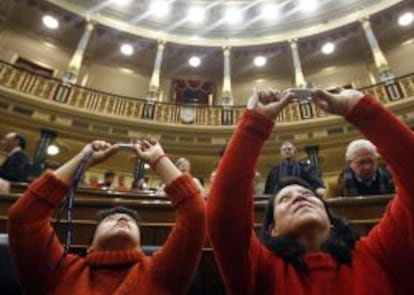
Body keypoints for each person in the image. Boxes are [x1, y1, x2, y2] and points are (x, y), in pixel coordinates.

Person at [207, 87, 414, 294]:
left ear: (330, 219)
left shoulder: (377, 254)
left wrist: (360, 107)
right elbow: (223, 216)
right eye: (284, 199)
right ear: (272, 230)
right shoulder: (261, 271)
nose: (298, 196)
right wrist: (254, 124)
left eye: (308, 195)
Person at [8, 138, 206, 294]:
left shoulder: (160, 273)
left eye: (129, 221)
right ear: (90, 245)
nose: (121, 219)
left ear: (141, 243)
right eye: (110, 220)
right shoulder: (59, 271)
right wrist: (82, 160)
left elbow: (195, 215)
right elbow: (24, 218)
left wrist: (158, 160)